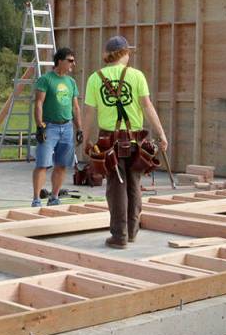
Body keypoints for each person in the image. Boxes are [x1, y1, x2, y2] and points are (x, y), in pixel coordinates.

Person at [81, 36, 168, 249]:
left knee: (116, 186)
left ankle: (119, 235)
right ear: (123, 54)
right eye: (129, 52)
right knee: (134, 184)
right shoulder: (136, 76)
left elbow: (89, 113)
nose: (130, 56)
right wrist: (161, 133)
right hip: (134, 138)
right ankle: (131, 231)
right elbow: (147, 107)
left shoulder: (95, 78)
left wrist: (84, 139)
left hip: (107, 139)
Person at [32, 47, 82, 207]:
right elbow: (39, 103)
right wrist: (40, 125)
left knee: (61, 165)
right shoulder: (46, 79)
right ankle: (36, 199)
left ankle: (54, 197)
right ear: (59, 61)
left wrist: (79, 128)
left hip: (66, 127)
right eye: (70, 61)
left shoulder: (71, 82)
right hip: (50, 127)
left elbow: (75, 107)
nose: (73, 64)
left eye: (74, 61)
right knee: (43, 164)